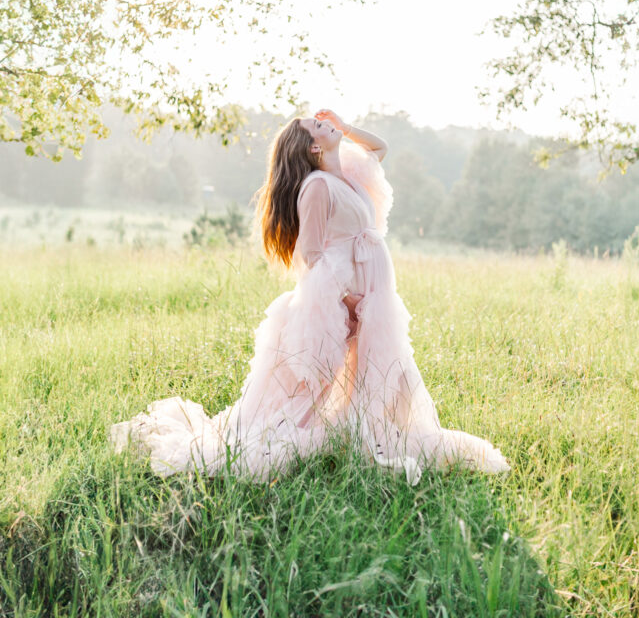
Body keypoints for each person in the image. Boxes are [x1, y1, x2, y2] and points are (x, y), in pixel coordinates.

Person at [109, 110, 510, 485]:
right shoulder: (317, 187)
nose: (321, 119)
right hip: (346, 299)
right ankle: (353, 441)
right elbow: (311, 254)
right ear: (313, 148)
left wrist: (343, 126)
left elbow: (380, 149)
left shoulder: (348, 174)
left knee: (381, 373)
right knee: (322, 385)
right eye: (314, 124)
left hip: (374, 296)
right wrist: (348, 301)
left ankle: (380, 435)